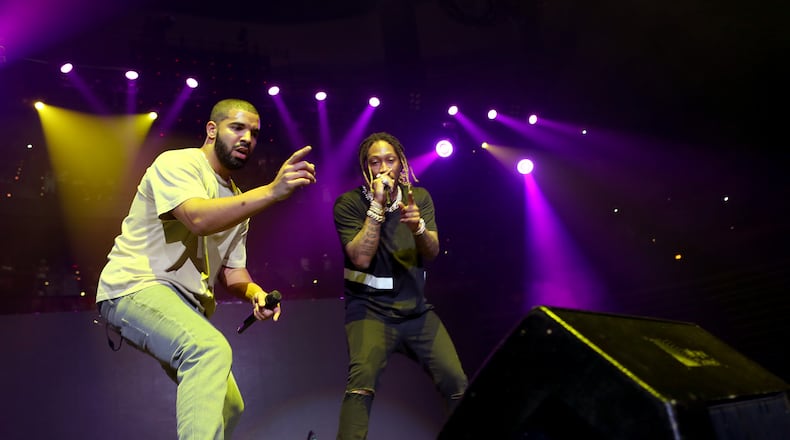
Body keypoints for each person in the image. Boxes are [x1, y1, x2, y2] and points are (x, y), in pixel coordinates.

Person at [96, 98, 316, 439]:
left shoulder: (237, 200)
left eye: (254, 134)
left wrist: (256, 294)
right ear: (212, 130)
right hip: (135, 287)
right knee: (208, 349)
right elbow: (197, 218)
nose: (246, 138)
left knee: (230, 407)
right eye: (237, 128)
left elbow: (233, 273)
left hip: (184, 305)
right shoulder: (179, 163)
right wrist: (272, 191)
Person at [332, 132, 468, 439]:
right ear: (365, 168)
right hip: (369, 312)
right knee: (361, 384)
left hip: (416, 313)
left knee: (456, 383)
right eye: (375, 162)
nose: (383, 168)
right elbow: (361, 257)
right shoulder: (349, 204)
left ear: (402, 163)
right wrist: (378, 205)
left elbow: (431, 251)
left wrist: (418, 227)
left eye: (390, 160)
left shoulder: (418, 198)